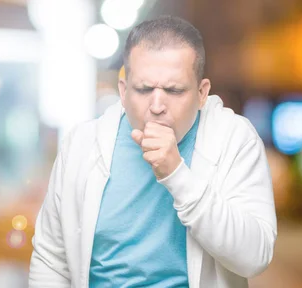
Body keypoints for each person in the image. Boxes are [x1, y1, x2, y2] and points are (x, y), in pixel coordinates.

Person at [29, 15, 277, 288]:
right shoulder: (81, 144)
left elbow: (255, 257)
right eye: (144, 89)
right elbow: (51, 258)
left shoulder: (235, 138)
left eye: (174, 90)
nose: (157, 105)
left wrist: (177, 174)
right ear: (123, 91)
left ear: (202, 92)